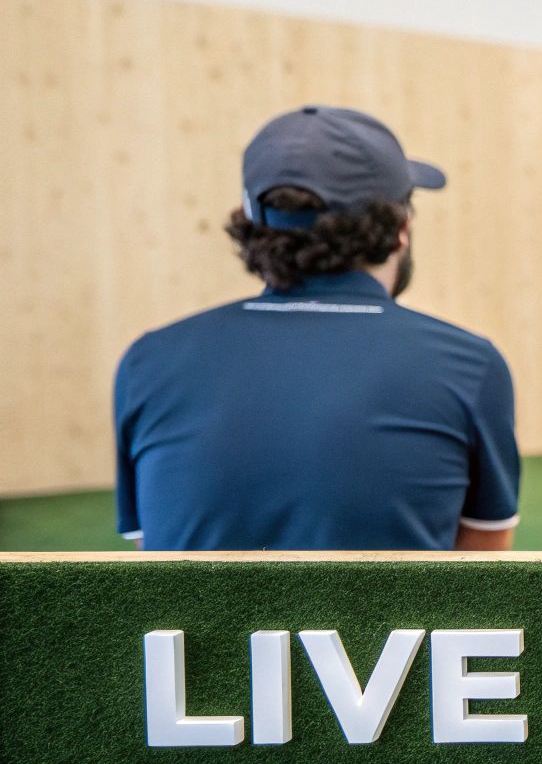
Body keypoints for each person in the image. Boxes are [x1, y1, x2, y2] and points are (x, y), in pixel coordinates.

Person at [114, 106, 520, 551]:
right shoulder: (468, 364)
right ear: (401, 227)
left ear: (253, 225)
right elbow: (480, 574)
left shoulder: (149, 361)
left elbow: (151, 559)